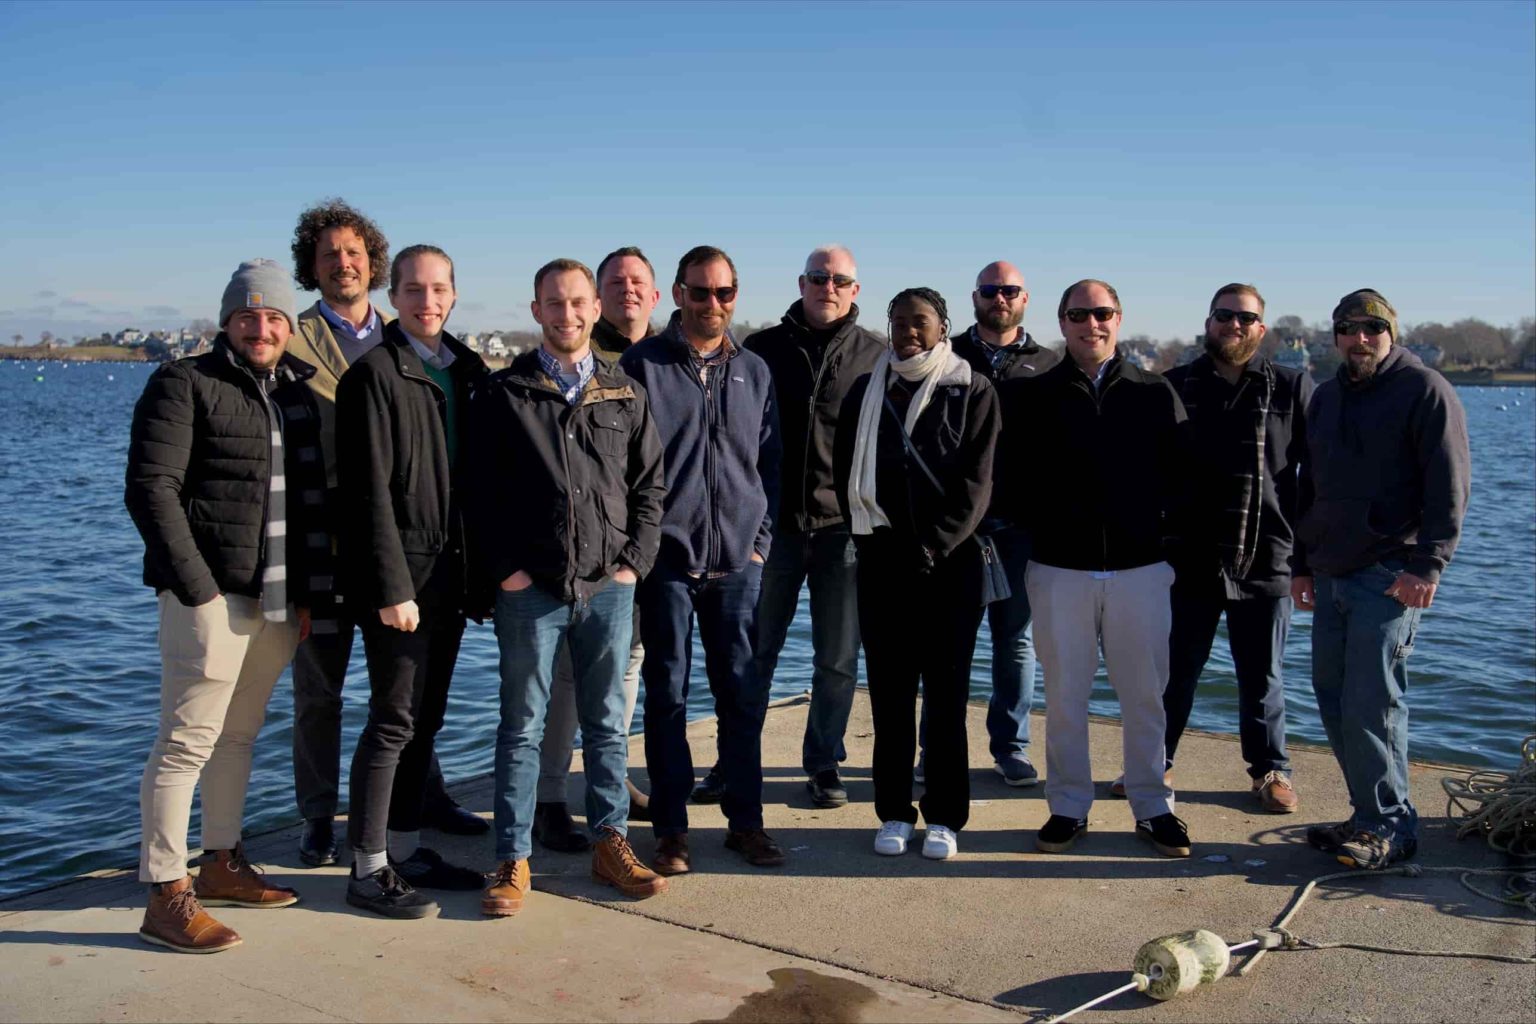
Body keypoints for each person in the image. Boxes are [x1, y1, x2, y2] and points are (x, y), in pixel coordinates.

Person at [125, 259, 331, 952]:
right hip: (208, 598)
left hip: (277, 601)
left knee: (238, 737)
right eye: (248, 315)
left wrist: (304, 595)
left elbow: (308, 507)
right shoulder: (184, 383)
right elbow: (152, 490)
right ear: (227, 322)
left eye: (274, 316)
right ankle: (165, 891)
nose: (262, 326)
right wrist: (199, 589)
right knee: (185, 743)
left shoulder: (296, 395)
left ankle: (221, 862)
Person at [285, 200, 483, 869]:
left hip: (414, 543)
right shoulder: (291, 342)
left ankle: (413, 810)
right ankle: (322, 820)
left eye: (353, 252)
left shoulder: (444, 357)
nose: (343, 263)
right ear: (311, 269)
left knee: (408, 699)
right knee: (324, 691)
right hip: (320, 543)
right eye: (328, 254)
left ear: (372, 264)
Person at [469, 259, 670, 914]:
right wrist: (507, 571)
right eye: (554, 304)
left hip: (608, 586)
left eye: (579, 302)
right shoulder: (506, 395)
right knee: (522, 725)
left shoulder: (624, 394)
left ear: (594, 309)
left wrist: (632, 565)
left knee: (607, 722)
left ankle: (610, 842)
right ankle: (512, 857)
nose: (568, 314)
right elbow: (479, 499)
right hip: (529, 590)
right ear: (536, 312)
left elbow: (649, 491)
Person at [998, 279, 1191, 858]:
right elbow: (1007, 477)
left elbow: (1184, 479)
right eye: (1079, 314)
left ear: (1119, 318)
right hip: (1059, 569)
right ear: (1062, 322)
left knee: (1145, 696)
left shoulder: (1154, 392)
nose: (1092, 324)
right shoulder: (1031, 393)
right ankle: (1068, 807)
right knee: (1065, 696)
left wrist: (1164, 541)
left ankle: (1153, 805)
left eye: (1101, 313)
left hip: (1142, 570)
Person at [618, 245, 785, 875]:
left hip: (738, 564)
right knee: (666, 696)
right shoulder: (643, 365)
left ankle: (747, 824)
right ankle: (671, 832)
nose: (712, 304)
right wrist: (643, 546)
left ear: (735, 296)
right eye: (699, 292)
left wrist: (760, 542)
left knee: (739, 697)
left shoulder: (756, 371)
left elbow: (769, 465)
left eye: (724, 293)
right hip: (667, 562)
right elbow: (627, 469)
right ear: (679, 295)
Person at [336, 245, 489, 918]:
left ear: (454, 295)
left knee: (425, 721)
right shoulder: (373, 376)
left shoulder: (469, 370)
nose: (427, 300)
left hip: (451, 577)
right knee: (392, 722)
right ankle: (366, 868)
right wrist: (390, 588)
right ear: (391, 296)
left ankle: (403, 848)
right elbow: (365, 494)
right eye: (413, 290)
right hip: (401, 583)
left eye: (438, 289)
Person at [1292, 288, 1469, 870]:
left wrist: (1428, 565)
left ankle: (1392, 827)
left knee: (1374, 701)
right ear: (1335, 336)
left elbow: (1449, 486)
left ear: (1391, 332)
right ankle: (1365, 813)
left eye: (1371, 328)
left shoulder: (1425, 391)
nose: (1359, 338)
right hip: (1332, 569)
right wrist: (1300, 562)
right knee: (1333, 695)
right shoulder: (1328, 397)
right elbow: (1308, 485)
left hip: (1391, 574)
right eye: (1348, 328)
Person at [833, 287, 1000, 860]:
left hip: (950, 566)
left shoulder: (971, 388)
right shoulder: (866, 389)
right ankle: (894, 812)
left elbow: (977, 484)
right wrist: (872, 539)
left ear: (942, 326)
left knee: (947, 699)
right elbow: (842, 469)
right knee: (890, 697)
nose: (908, 331)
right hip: (881, 562)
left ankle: (947, 817)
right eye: (899, 321)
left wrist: (932, 545)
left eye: (920, 321)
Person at [1136, 284, 1312, 813]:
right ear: (1208, 322)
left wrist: (1309, 559)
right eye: (1224, 316)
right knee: (1173, 672)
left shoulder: (1291, 388)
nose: (1234, 325)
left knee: (1262, 678)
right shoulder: (1173, 386)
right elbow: (1149, 476)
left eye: (1246, 318)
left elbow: (1315, 480)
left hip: (1267, 556)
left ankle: (1270, 770)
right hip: (1187, 558)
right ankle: (1152, 765)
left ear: (1262, 328)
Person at [738, 244, 885, 809]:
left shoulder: (877, 355)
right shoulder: (761, 350)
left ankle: (824, 763)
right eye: (818, 277)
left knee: (837, 659)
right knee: (754, 654)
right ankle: (735, 761)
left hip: (842, 530)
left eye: (839, 279)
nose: (828, 286)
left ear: (855, 289)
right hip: (770, 528)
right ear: (801, 283)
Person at [531, 246, 660, 853]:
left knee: (623, 673)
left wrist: (639, 556)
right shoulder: (583, 357)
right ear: (598, 297)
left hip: (640, 551)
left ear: (656, 294)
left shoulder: (668, 353)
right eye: (616, 283)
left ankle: (610, 781)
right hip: (577, 560)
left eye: (639, 282)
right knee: (563, 681)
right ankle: (550, 798)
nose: (628, 291)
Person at [927, 260, 1060, 788]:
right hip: (955, 527)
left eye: (1009, 291)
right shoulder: (947, 356)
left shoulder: (1049, 364)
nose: (999, 298)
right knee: (943, 645)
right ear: (975, 296)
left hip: (1019, 529)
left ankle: (1010, 747)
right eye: (990, 290)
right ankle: (936, 748)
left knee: (1016, 642)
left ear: (1025, 297)